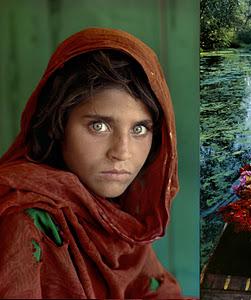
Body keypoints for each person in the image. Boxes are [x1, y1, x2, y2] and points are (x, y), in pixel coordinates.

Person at [0, 27, 185, 299]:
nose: (122, 153)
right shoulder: (24, 221)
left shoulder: (115, 215)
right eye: (99, 126)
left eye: (139, 130)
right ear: (57, 124)